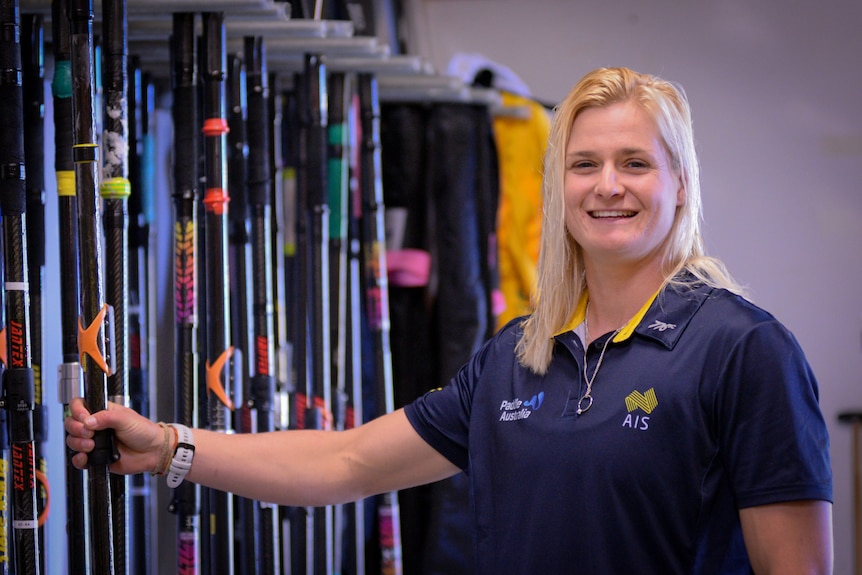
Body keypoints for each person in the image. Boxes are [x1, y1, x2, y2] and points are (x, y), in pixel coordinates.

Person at [66, 67, 833, 574]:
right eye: (584, 163)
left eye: (635, 162)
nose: (609, 186)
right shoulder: (518, 357)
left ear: (680, 182)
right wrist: (173, 445)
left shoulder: (743, 350)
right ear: (557, 185)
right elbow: (347, 463)